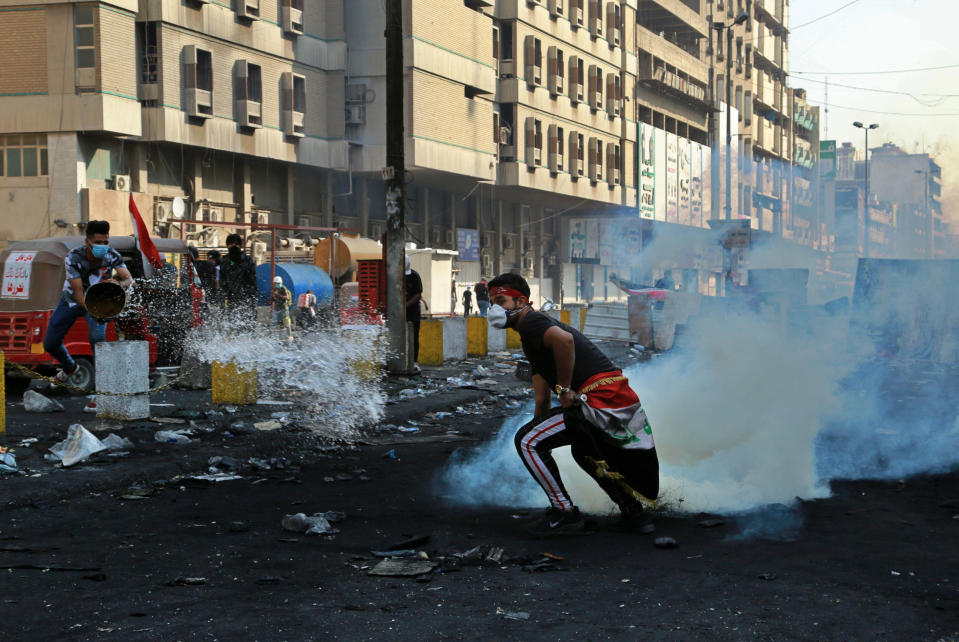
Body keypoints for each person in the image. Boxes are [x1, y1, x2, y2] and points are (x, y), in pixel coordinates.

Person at [486, 272, 659, 537]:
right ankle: (634, 513)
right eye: (492, 303)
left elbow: (564, 342)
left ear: (521, 301)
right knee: (581, 452)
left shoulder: (532, 321)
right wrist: (539, 426)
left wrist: (565, 389)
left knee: (526, 441)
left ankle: (564, 513)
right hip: (616, 401)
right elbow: (542, 399)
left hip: (600, 400)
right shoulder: (531, 337)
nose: (495, 309)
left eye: (501, 300)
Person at [44, 220, 133, 413]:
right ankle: (70, 368)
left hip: (99, 300)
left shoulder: (112, 255)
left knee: (97, 340)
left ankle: (101, 394)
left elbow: (128, 278)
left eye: (105, 242)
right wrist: (94, 311)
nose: (102, 246)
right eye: (98, 242)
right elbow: (77, 293)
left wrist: (118, 282)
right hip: (73, 301)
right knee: (50, 343)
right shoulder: (73, 258)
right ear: (88, 241)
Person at [219, 234, 257, 324]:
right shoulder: (224, 261)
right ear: (227, 246)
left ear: (240, 246)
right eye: (231, 244)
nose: (233, 246)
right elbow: (223, 281)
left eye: (236, 244)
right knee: (233, 324)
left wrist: (252, 300)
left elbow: (252, 282)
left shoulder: (248, 261)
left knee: (247, 325)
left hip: (246, 298)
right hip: (231, 298)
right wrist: (222, 299)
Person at [405, 255, 423, 373]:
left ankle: (414, 362)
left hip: (413, 312)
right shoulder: (395, 276)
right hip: (397, 313)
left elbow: (418, 295)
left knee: (414, 337)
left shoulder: (415, 276)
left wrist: (405, 305)